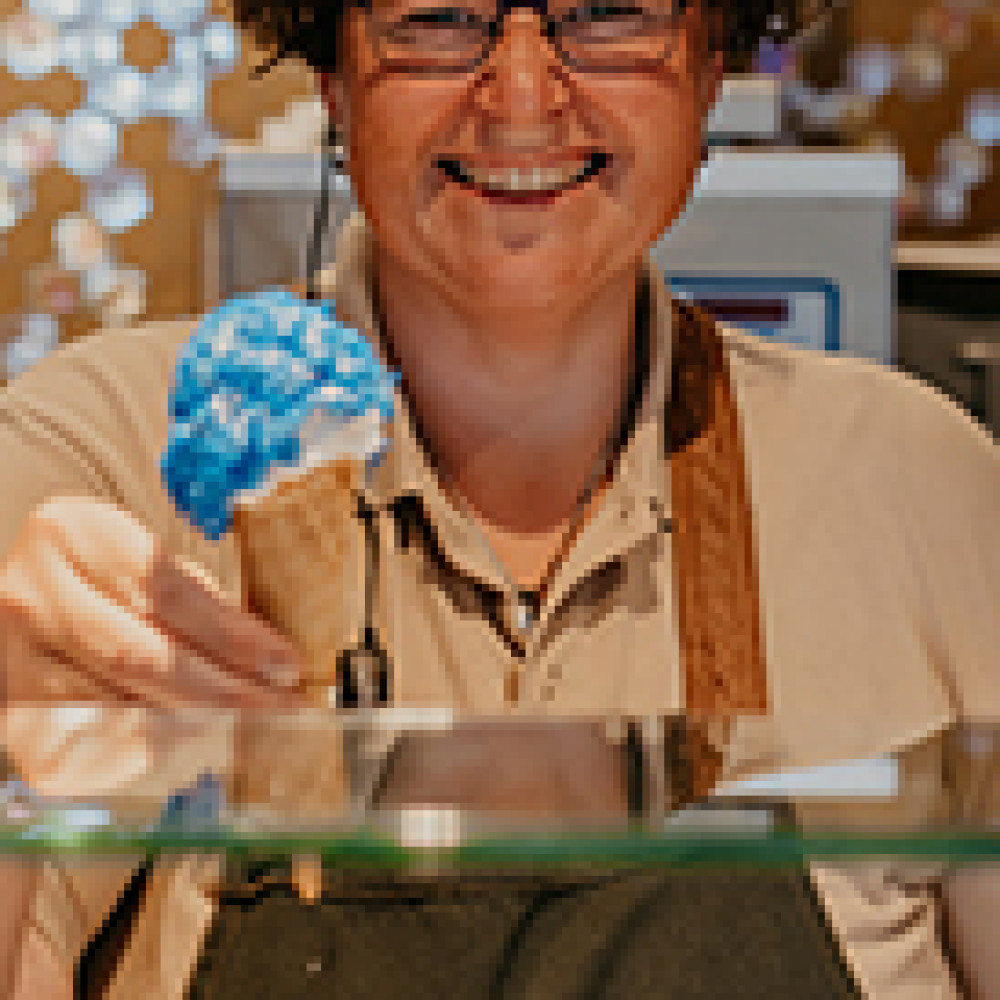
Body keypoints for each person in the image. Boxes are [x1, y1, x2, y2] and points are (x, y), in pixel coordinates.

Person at [2, 0, 1000, 996]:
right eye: (439, 17)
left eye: (607, 13)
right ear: (332, 80)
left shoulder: (921, 487)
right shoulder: (113, 459)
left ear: (709, 71)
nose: (521, 97)